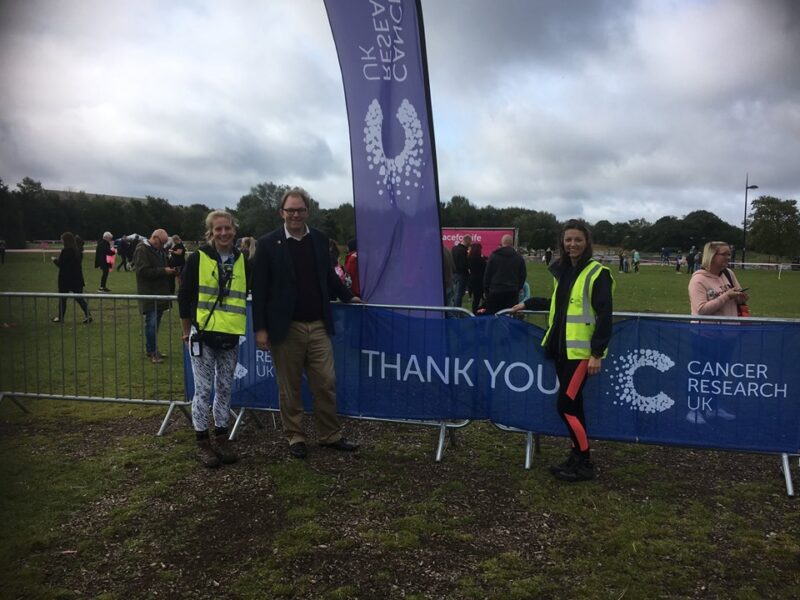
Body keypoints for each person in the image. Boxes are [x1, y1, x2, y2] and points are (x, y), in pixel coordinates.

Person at [252, 187, 362, 459]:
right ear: (282, 213)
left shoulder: (319, 239)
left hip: (318, 325)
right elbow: (260, 288)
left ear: (307, 212)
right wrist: (261, 328)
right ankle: (295, 436)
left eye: (300, 210)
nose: (296, 215)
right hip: (285, 328)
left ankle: (330, 434)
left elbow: (329, 276)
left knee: (326, 381)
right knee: (289, 387)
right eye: (291, 210)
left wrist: (348, 297)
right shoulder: (267, 244)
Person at [511, 220, 613, 482]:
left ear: (587, 242)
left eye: (578, 239)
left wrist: (596, 353)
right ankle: (576, 456)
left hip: (580, 354)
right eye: (568, 240)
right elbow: (559, 304)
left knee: (565, 405)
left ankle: (585, 461)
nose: (572, 244)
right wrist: (529, 303)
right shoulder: (565, 271)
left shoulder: (597, 273)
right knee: (574, 406)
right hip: (560, 349)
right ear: (562, 242)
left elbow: (605, 316)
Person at [179, 211, 250, 468]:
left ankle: (222, 436)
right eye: (217, 229)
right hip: (202, 334)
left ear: (234, 230)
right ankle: (203, 441)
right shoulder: (198, 258)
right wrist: (186, 330)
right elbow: (184, 296)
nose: (223, 233)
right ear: (211, 232)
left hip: (230, 335)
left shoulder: (242, 259)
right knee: (203, 389)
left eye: (227, 228)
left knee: (224, 388)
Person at [134, 229, 177, 363]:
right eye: (162, 243)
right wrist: (163, 271)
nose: (163, 246)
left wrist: (169, 270)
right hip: (149, 293)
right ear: (155, 238)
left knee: (155, 324)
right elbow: (142, 271)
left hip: (160, 293)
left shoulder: (159, 250)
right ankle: (153, 352)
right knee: (151, 324)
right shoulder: (142, 250)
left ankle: (152, 349)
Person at [688, 241, 747, 317]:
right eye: (724, 254)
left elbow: (737, 295)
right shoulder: (698, 279)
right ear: (711, 256)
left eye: (729, 254)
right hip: (707, 328)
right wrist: (726, 296)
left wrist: (740, 298)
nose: (728, 258)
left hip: (731, 327)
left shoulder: (728, 273)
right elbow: (701, 310)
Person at [51, 231, 92, 323]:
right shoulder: (78, 252)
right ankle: (88, 315)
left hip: (66, 278)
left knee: (63, 299)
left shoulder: (65, 251)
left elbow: (62, 265)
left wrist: (55, 260)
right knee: (79, 298)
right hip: (77, 278)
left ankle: (61, 317)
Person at [483, 234, 526, 315]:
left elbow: (487, 275)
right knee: (510, 319)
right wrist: (518, 287)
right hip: (512, 291)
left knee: (493, 317)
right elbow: (523, 275)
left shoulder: (493, 256)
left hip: (495, 291)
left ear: (501, 243)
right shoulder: (519, 257)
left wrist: (486, 291)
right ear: (512, 244)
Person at [451, 235, 471, 308]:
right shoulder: (464, 251)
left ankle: (453, 309)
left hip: (453, 274)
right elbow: (463, 265)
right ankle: (457, 311)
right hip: (461, 275)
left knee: (454, 294)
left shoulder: (454, 248)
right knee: (459, 295)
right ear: (468, 242)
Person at [467, 243, 487, 314]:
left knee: (475, 299)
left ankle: (474, 312)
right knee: (480, 298)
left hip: (472, 280)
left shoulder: (469, 259)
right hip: (480, 281)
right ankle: (479, 311)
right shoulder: (482, 261)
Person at [442, 243, 454, 307]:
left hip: (442, 286)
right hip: (449, 284)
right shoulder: (447, 250)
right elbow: (453, 267)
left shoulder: (438, 252)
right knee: (449, 309)